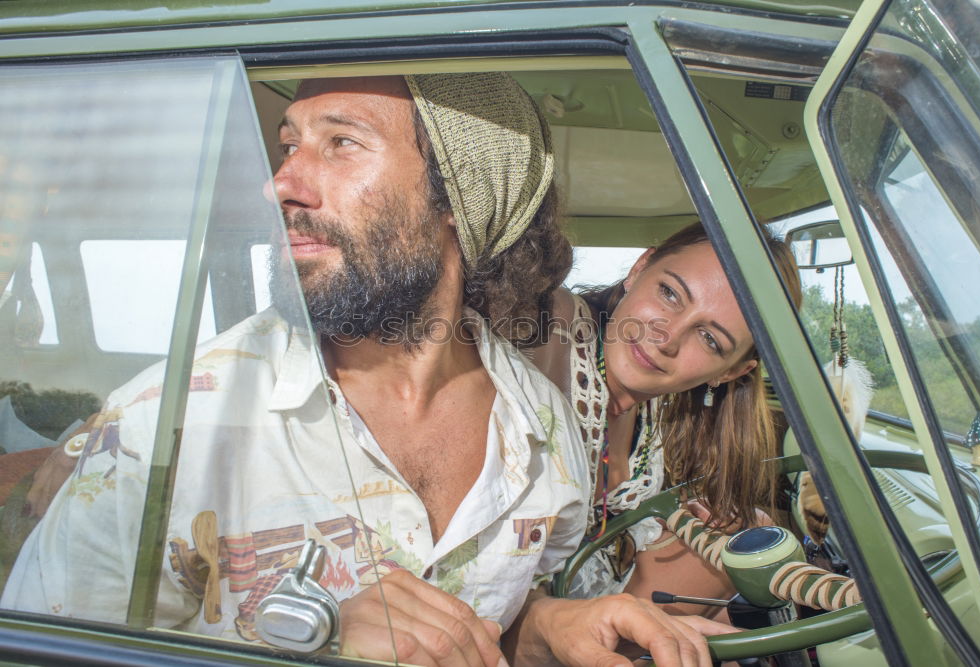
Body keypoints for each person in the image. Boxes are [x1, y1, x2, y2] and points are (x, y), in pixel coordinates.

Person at [3, 74, 731, 666]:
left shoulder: (542, 423)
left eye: (340, 143)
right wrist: (296, 641)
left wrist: (540, 629)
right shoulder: (161, 428)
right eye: (288, 144)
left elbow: (494, 627)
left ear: (459, 198)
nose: (281, 182)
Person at [528, 223, 801, 615]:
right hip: (525, 619)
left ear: (729, 373)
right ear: (640, 268)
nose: (667, 337)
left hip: (599, 595)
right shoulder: (547, 325)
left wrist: (675, 514)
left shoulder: (661, 413)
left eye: (710, 340)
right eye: (670, 293)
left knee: (747, 531)